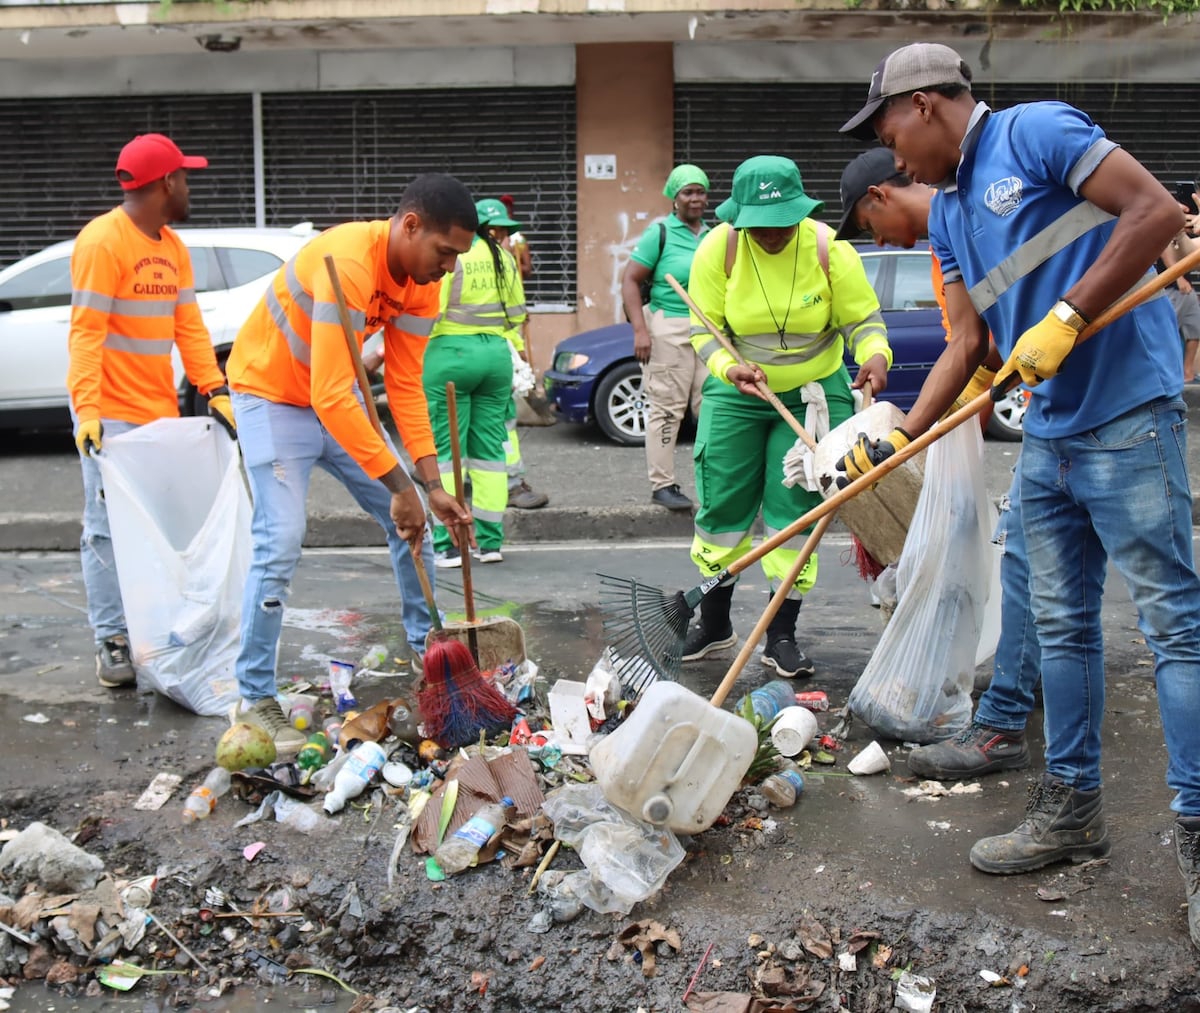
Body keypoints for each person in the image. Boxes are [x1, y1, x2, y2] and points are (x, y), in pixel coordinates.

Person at [839, 43, 1200, 945]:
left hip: (1128, 411)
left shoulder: (1035, 132)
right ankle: (1071, 808)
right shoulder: (952, 212)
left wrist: (1069, 315)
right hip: (1050, 431)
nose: (893, 152)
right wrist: (901, 438)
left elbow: (1155, 212)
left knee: (1174, 627)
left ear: (925, 104)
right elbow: (968, 344)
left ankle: (1198, 832)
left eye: (889, 129)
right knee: (1062, 626)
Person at [226, 173, 475, 753]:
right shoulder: (349, 259)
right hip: (272, 397)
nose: (448, 269)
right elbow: (331, 393)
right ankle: (254, 695)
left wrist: (429, 485)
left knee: (414, 520)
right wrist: (400, 486)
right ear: (410, 225)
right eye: (444, 252)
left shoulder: (424, 285)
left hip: (334, 399)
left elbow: (405, 383)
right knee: (280, 540)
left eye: (457, 258)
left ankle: (428, 650)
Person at [835, 147, 1040, 779]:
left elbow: (985, 340)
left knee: (1035, 558)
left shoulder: (968, 218)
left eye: (870, 229)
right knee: (1031, 559)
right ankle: (1016, 697)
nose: (878, 241)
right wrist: (927, 433)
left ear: (880, 196)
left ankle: (1014, 708)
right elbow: (970, 346)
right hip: (1041, 402)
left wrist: (911, 433)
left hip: (1083, 397)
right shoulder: (943, 241)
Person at [682, 154, 891, 678]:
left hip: (813, 393)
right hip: (737, 392)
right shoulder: (719, 249)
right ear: (738, 219)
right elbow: (704, 331)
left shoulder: (829, 249)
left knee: (793, 514)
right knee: (722, 508)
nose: (771, 234)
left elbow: (863, 321)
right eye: (759, 226)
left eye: (782, 224)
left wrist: (875, 354)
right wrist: (729, 368)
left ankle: (780, 636)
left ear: (801, 212)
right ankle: (714, 625)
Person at [67, 132, 236, 690]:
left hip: (156, 409)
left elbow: (189, 327)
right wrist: (87, 410)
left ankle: (156, 628)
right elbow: (86, 333)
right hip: (108, 412)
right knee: (105, 529)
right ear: (166, 182)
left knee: (161, 525)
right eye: (184, 177)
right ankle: (113, 638)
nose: (189, 186)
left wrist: (215, 389)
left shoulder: (174, 249)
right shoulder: (103, 243)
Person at [425, 197, 527, 567]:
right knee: (489, 454)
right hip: (496, 358)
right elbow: (517, 315)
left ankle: (448, 544)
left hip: (450, 356)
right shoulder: (505, 259)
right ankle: (489, 543)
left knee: (447, 452)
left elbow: (430, 311)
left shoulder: (455, 255)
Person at [620, 164, 712, 511]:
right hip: (668, 327)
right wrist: (640, 331)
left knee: (712, 407)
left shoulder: (713, 236)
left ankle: (714, 481)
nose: (695, 198)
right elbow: (630, 280)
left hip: (707, 329)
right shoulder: (659, 233)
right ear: (674, 198)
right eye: (688, 192)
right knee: (667, 409)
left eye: (700, 191)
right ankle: (663, 484)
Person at [496, 193, 549, 510]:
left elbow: (526, 268)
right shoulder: (480, 256)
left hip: (496, 336)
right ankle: (510, 483)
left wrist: (518, 264)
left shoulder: (517, 241)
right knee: (501, 419)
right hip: (494, 344)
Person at [1159, 222, 1200, 383]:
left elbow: (1192, 253)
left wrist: (1181, 234)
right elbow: (1164, 251)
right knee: (1167, 332)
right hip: (1171, 287)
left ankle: (1188, 373)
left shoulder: (1181, 229)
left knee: (1195, 330)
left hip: (1187, 289)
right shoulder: (1162, 226)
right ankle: (1166, 375)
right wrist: (1178, 278)